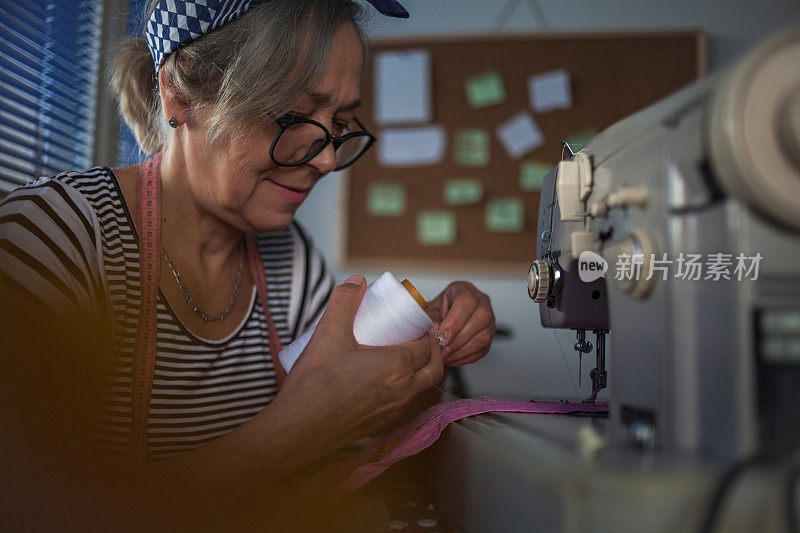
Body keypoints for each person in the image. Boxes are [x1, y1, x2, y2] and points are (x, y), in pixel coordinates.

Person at [0, 0, 495, 526]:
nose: (326, 158)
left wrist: (429, 331)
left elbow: (357, 414)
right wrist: (294, 433)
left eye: (341, 124)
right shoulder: (56, 236)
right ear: (178, 94)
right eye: (292, 116)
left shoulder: (291, 262)